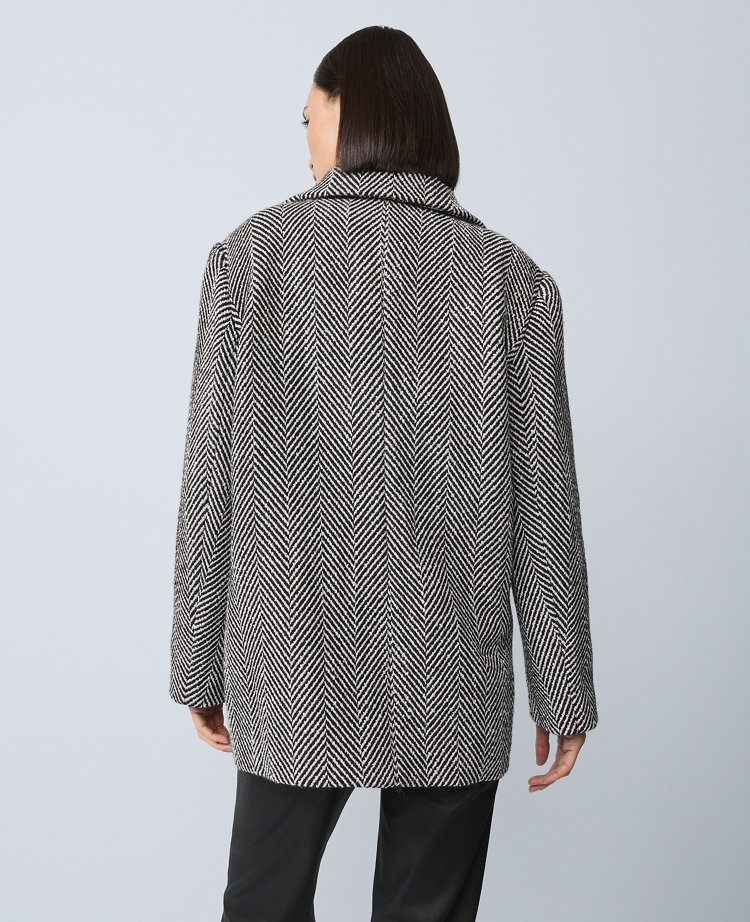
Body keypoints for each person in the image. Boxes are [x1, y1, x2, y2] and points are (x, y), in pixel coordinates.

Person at [169, 24, 599, 922]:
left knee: (261, 907)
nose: (306, 141)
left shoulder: (251, 261)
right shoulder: (510, 281)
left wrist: (197, 666)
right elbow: (545, 508)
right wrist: (563, 689)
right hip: (451, 670)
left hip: (293, 663)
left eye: (310, 117)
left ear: (353, 114)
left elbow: (211, 484)